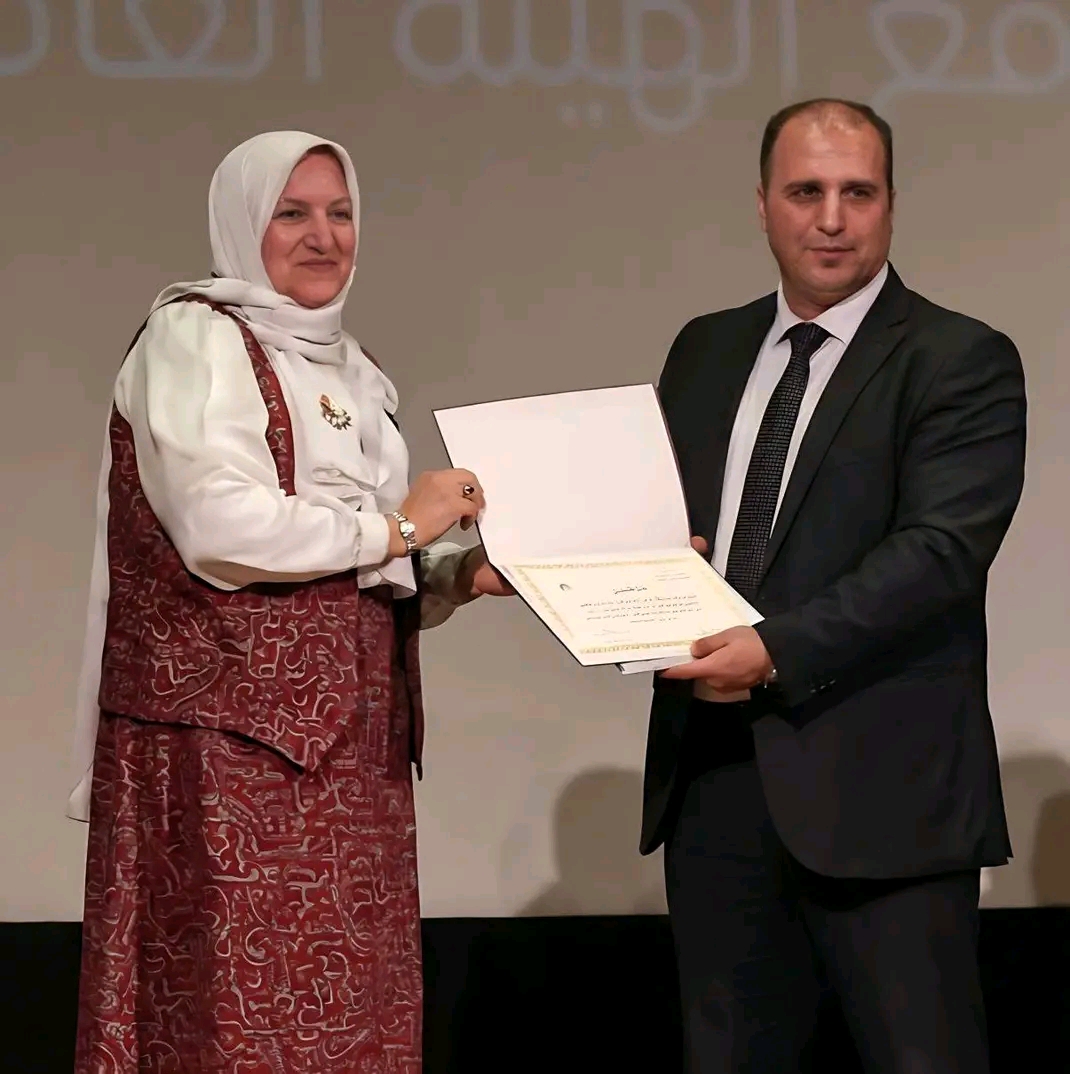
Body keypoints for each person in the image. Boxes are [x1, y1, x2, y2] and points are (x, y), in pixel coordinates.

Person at [68, 130, 512, 1074]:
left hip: (351, 760)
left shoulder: (351, 366)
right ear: (242, 224)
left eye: (340, 213)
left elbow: (363, 557)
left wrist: (457, 572)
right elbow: (219, 526)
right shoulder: (195, 338)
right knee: (231, 1021)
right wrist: (402, 528)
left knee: (349, 1016)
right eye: (292, 213)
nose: (324, 236)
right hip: (227, 754)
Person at [645, 99, 1027, 1072]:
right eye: (804, 191)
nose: (830, 218)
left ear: (891, 203)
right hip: (716, 784)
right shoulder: (704, 350)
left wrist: (773, 649)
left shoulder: (959, 357)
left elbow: (940, 551)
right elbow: (658, 530)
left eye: (857, 192)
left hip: (886, 800)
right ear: (762, 205)